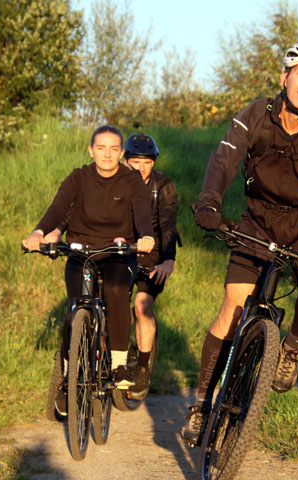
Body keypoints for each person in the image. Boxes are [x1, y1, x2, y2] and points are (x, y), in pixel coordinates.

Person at [181, 40, 298, 446]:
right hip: (258, 220)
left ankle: (292, 346)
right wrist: (209, 202)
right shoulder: (256, 114)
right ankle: (201, 406)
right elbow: (224, 159)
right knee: (232, 309)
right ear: (285, 77)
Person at [22, 125, 155, 411]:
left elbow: (143, 212)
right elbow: (57, 209)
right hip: (81, 250)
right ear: (91, 150)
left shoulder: (131, 180)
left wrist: (145, 237)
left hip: (119, 252)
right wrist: (38, 234)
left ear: (121, 152)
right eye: (101, 148)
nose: (107, 154)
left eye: (113, 149)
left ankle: (119, 365)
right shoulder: (79, 177)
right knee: (75, 308)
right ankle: (69, 380)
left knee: (116, 291)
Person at [123, 133, 180, 400]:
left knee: (142, 306)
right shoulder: (116, 182)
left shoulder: (163, 185)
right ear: (125, 161)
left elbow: (168, 225)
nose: (141, 167)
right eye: (135, 161)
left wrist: (168, 260)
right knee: (113, 299)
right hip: (122, 249)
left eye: (147, 162)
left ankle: (143, 369)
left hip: (154, 251)